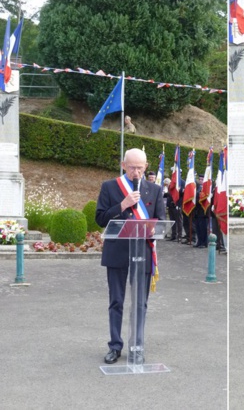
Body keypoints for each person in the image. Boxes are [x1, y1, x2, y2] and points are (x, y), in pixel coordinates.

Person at [95, 148, 166, 365]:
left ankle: (137, 346)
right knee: (116, 301)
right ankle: (115, 346)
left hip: (142, 252)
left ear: (146, 166)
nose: (136, 172)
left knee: (140, 303)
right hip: (117, 252)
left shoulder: (154, 189)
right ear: (124, 165)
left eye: (140, 167)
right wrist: (123, 205)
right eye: (132, 167)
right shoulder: (109, 187)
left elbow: (162, 220)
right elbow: (100, 218)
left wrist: (156, 228)